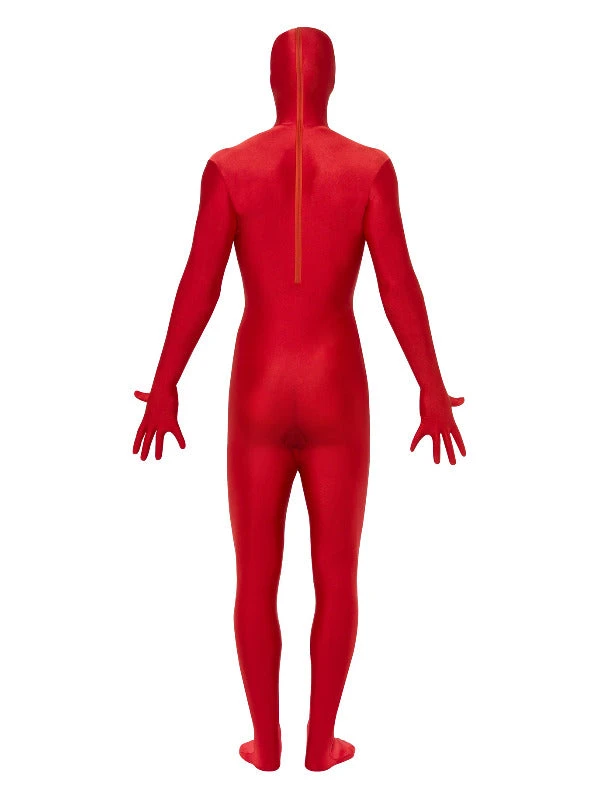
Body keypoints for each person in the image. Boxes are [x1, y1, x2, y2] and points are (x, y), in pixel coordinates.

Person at [132, 26, 466, 772]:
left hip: (257, 388)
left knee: (254, 577)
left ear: (271, 82)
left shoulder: (229, 168)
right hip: (336, 390)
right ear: (333, 81)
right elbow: (398, 285)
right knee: (336, 576)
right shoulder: (370, 169)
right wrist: (430, 388)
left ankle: (267, 744)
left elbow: (199, 282)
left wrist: (166, 386)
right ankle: (320, 744)